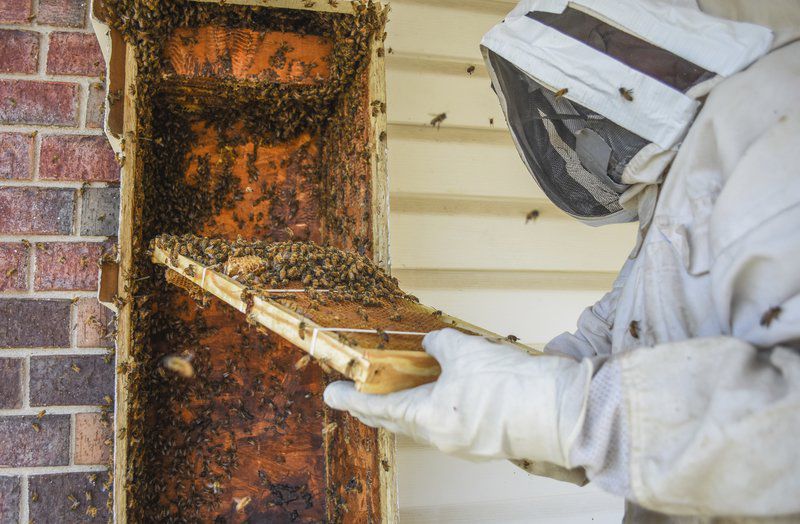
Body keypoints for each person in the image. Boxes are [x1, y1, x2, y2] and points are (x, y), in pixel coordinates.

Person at [324, 1, 800, 521]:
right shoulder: (682, 171)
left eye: (607, 40)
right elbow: (622, 331)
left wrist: (557, 411)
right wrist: (505, 395)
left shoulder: (777, 110)